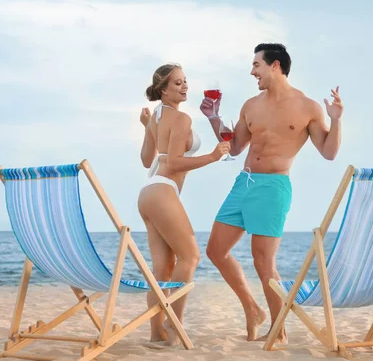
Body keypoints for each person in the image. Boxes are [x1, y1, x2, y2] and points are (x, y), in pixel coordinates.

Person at [199, 43, 343, 344]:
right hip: (244, 183)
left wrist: (336, 119)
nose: (253, 72)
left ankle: (279, 331)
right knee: (215, 250)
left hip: (273, 187)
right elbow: (236, 148)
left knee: (263, 261)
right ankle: (252, 309)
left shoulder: (308, 107)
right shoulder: (251, 105)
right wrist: (214, 117)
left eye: (256, 65)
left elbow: (329, 152)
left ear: (275, 65)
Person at [138, 63, 231, 345]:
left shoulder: (155, 116)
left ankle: (157, 334)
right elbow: (175, 161)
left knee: (163, 267)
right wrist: (213, 157)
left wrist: (147, 128)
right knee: (190, 257)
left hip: (149, 193)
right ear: (163, 90)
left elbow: (147, 161)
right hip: (163, 190)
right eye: (177, 83)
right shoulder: (181, 120)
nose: (184, 86)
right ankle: (173, 323)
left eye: (185, 81)